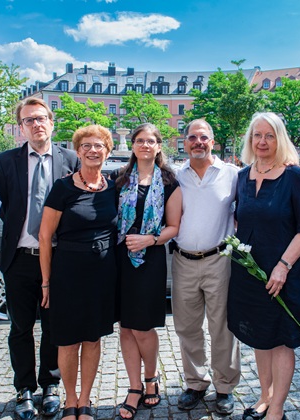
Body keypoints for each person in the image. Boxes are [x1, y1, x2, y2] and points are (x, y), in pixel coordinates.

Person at [0, 97, 80, 419]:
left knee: (53, 326)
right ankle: (24, 388)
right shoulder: (5, 162)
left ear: (52, 122)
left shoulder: (71, 159)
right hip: (19, 257)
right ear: (21, 127)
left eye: (41, 118)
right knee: (20, 326)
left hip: (58, 258)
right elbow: (0, 204)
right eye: (29, 120)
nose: (36, 124)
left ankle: (50, 385)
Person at [227, 113, 300, 420]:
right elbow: (240, 219)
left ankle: (277, 407)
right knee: (260, 337)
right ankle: (264, 396)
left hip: (282, 273)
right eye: (257, 135)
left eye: (269, 135)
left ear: (280, 139)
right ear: (250, 140)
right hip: (248, 271)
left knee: (280, 340)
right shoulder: (242, 176)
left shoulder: (294, 176)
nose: (262, 141)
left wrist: (283, 266)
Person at [39, 125, 117, 420]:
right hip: (68, 274)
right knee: (68, 340)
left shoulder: (113, 187)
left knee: (93, 339)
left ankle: (85, 401)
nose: (93, 151)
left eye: (99, 146)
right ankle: (70, 400)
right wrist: (46, 282)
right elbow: (45, 236)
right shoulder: (63, 188)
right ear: (77, 151)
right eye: (86, 146)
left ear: (107, 151)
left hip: (102, 275)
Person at [111, 124, 182, 420]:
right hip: (119, 258)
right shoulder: (119, 179)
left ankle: (152, 377)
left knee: (142, 326)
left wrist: (149, 239)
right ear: (133, 145)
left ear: (158, 146)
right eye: (139, 140)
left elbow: (174, 227)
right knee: (126, 326)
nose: (144, 145)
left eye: (150, 141)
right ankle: (134, 386)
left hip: (150, 259)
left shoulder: (169, 182)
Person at [171, 119, 240, 415]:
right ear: (184, 143)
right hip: (182, 260)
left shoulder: (233, 174)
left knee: (222, 327)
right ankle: (196, 383)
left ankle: (225, 386)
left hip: (219, 260)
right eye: (192, 138)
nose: (197, 142)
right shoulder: (175, 175)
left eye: (203, 137)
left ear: (213, 141)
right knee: (187, 327)